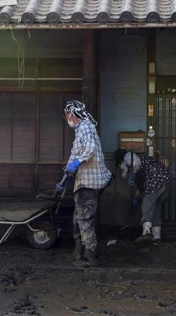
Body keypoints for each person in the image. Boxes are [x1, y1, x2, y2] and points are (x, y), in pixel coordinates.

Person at [57, 100, 112, 267]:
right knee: (78, 219)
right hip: (83, 182)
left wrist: (76, 164)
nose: (66, 118)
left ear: (72, 113)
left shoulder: (86, 126)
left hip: (90, 182)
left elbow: (90, 149)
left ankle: (90, 257)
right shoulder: (80, 130)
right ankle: (78, 251)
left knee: (85, 220)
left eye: (67, 115)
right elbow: (75, 154)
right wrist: (66, 176)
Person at [114, 148, 170, 244]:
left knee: (146, 206)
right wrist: (136, 197)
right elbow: (140, 189)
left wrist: (131, 174)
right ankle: (157, 238)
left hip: (154, 180)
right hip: (165, 179)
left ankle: (146, 233)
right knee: (155, 208)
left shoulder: (128, 157)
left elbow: (135, 165)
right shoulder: (137, 159)